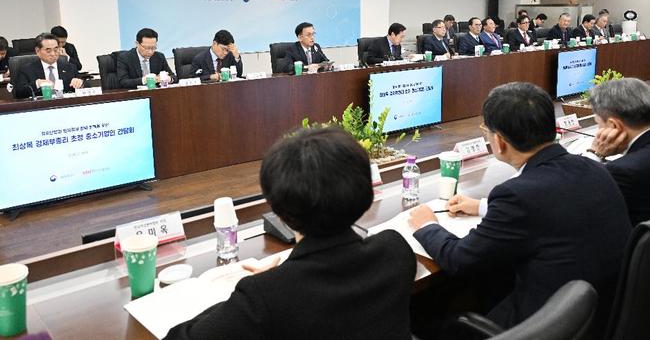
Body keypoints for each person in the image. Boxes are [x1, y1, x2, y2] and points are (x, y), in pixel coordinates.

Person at [408, 82, 631, 330]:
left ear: (499, 141)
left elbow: (459, 259)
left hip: (544, 325)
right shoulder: (593, 167)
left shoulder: (517, 195)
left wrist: (427, 225)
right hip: (599, 314)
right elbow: (550, 208)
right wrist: (482, 206)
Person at [165, 127, 416, 340]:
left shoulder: (264, 297)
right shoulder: (395, 249)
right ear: (366, 194)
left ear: (280, 213)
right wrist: (274, 283)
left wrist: (263, 288)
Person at [586, 78, 650, 225]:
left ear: (614, 126)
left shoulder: (623, 171)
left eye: (598, 124)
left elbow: (577, 199)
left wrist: (594, 153)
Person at [13, 33, 84, 99]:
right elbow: (19, 93)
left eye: (56, 50)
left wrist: (79, 83)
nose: (53, 54)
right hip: (40, 106)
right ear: (37, 51)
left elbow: (83, 86)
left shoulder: (70, 68)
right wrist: (37, 84)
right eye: (48, 51)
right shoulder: (27, 70)